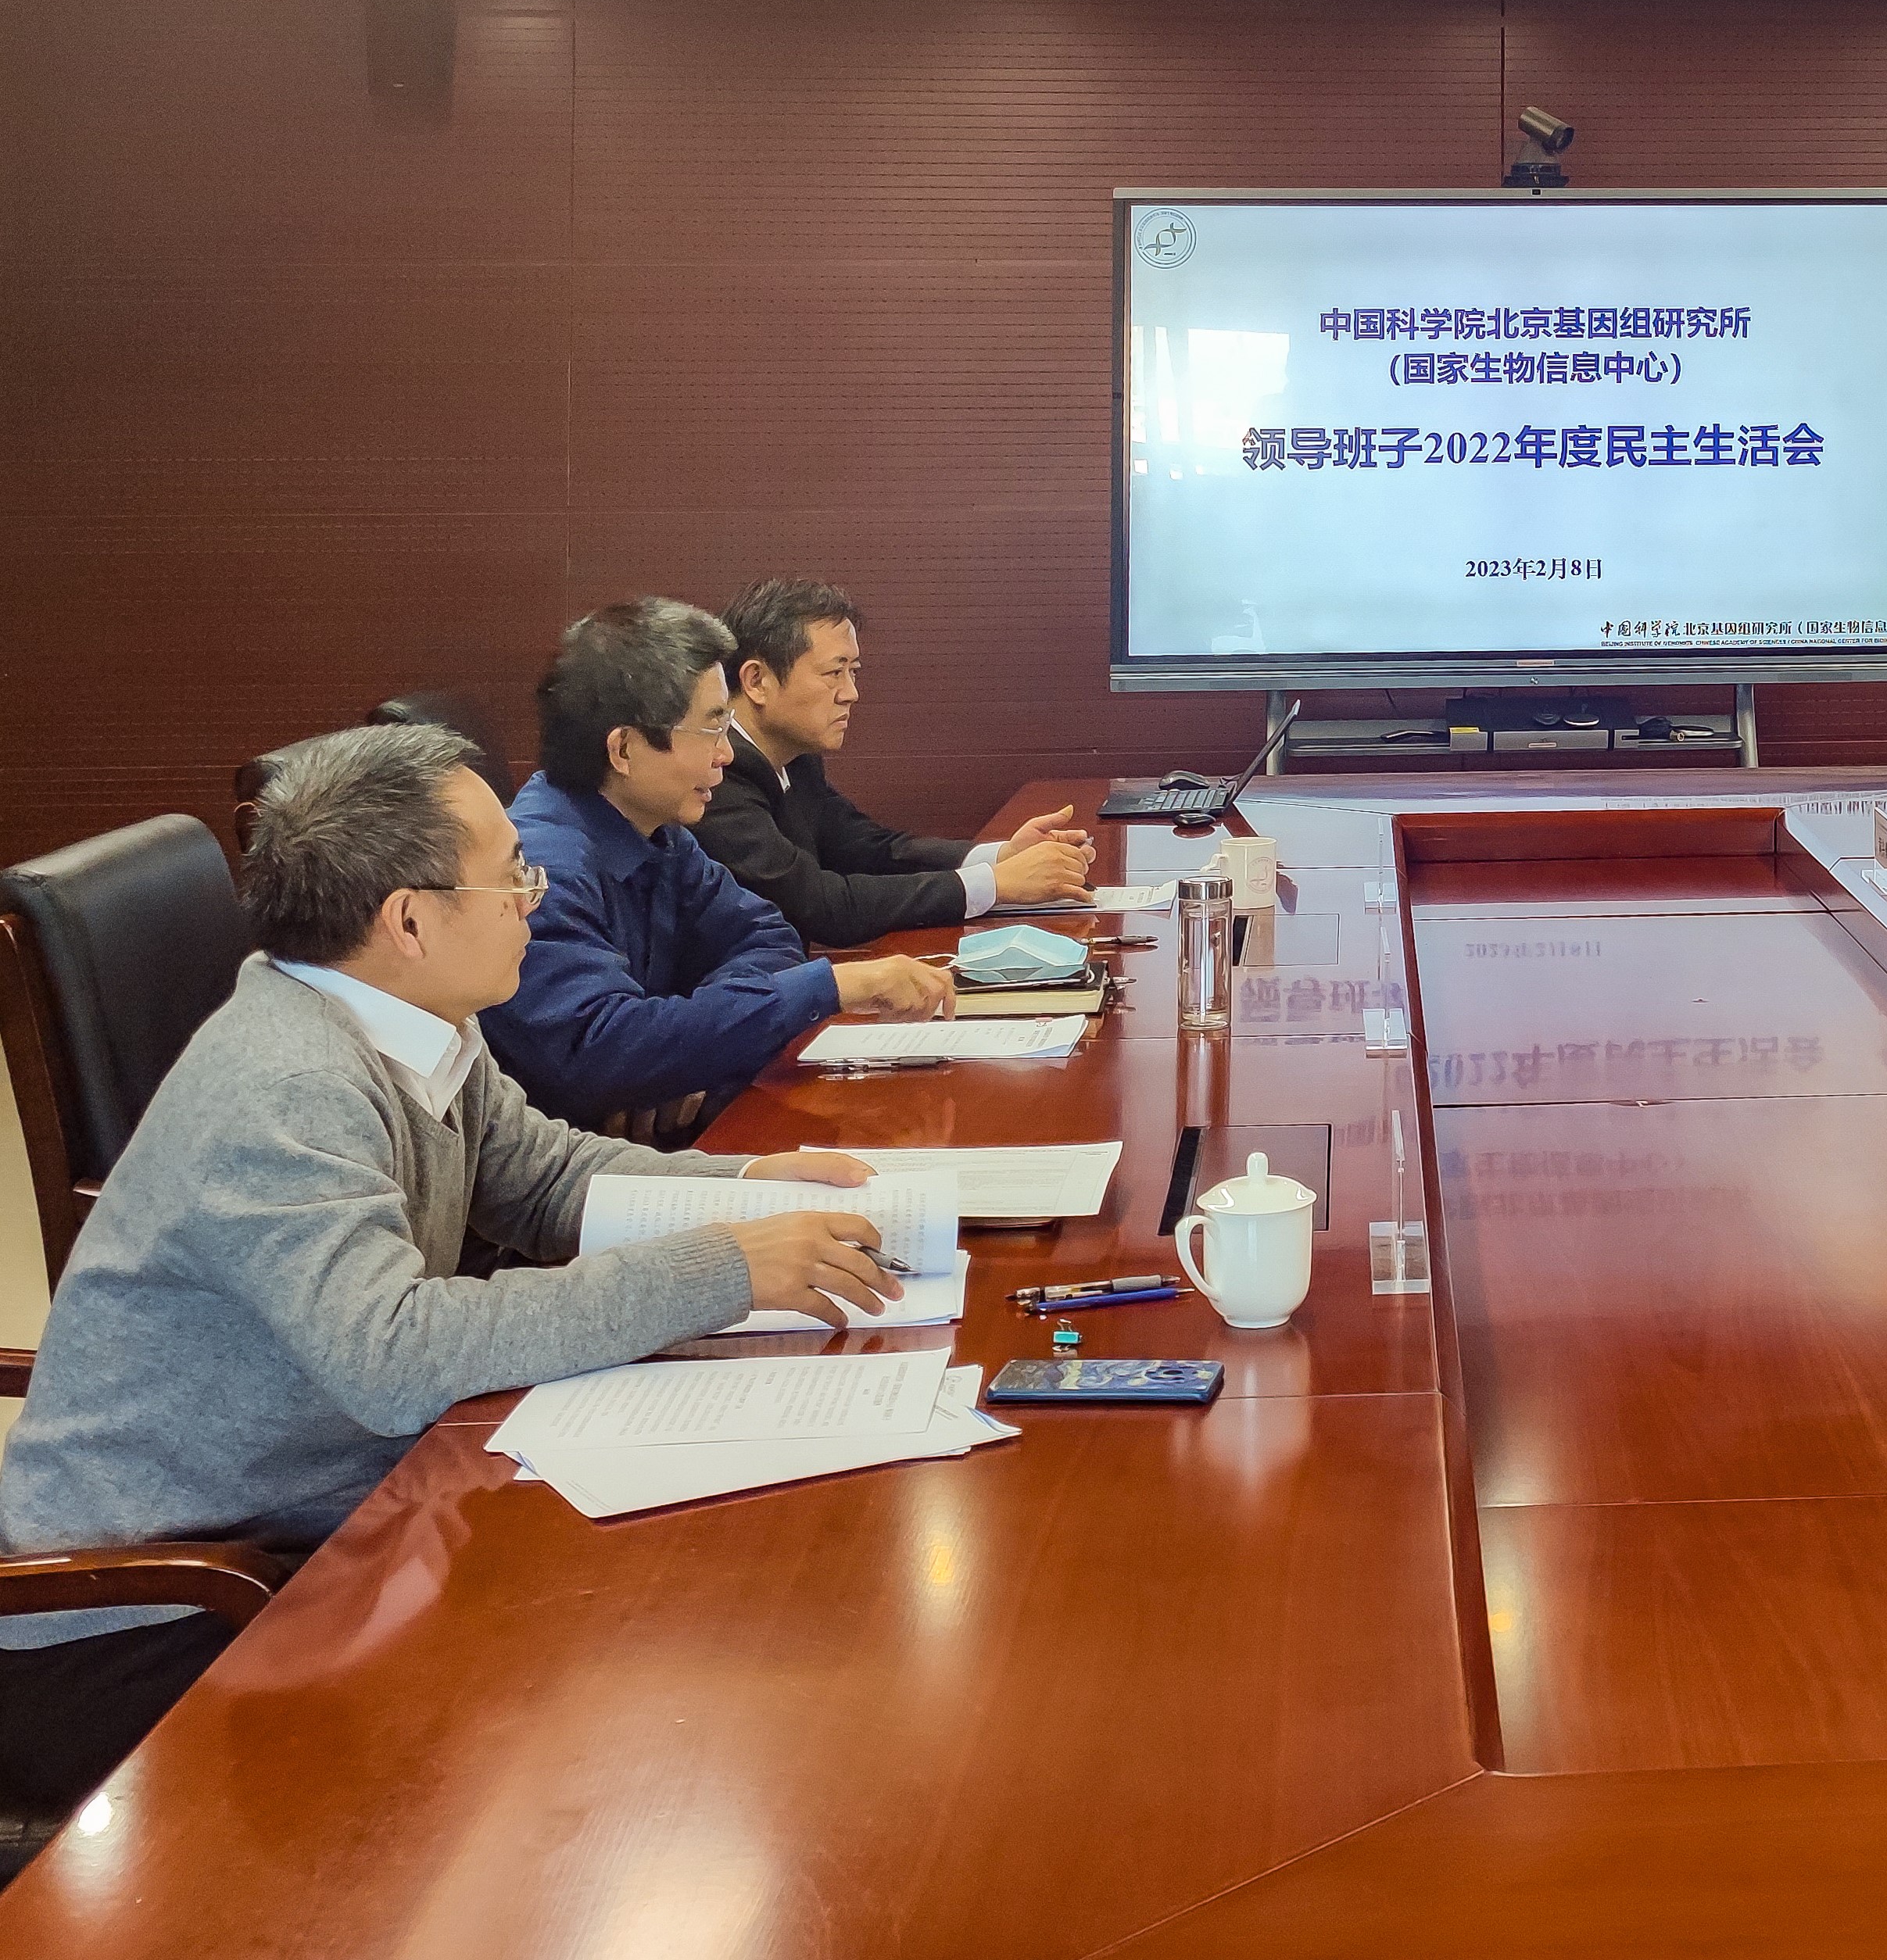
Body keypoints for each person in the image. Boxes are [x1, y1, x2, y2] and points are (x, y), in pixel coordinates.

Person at [0, 725, 906, 1818]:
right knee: (551, 1743)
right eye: (513, 875)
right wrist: (720, 1266)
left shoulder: (408, 1017)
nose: (534, 899)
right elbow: (395, 1355)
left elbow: (541, 1176)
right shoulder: (289, 1085)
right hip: (149, 1611)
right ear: (410, 919)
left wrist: (750, 1185)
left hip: (325, 1523)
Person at [494, 599, 954, 1134]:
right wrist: (827, 988)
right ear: (624, 750)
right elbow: (601, 1051)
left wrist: (690, 1050)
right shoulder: (539, 868)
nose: (727, 755)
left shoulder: (656, 828)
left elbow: (767, 934)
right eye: (712, 729)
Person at [695, 577, 1093, 947]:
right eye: (834, 672)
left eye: (853, 672)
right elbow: (819, 906)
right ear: (757, 681)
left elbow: (871, 849)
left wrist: (1001, 857)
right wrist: (995, 884)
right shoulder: (716, 775)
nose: (850, 693)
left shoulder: (796, 758)